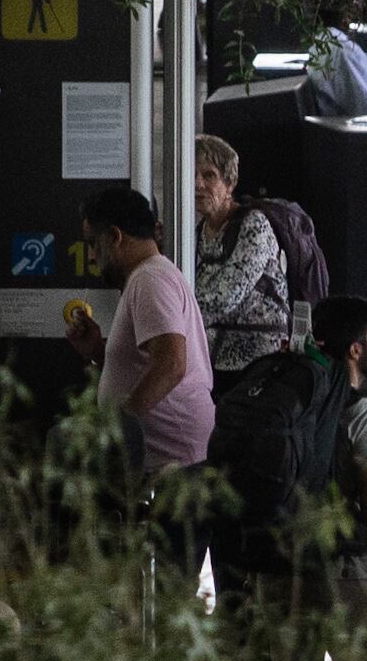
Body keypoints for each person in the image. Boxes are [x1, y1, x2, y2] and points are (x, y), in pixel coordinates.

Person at [66, 184, 214, 477]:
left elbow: (172, 364)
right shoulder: (148, 277)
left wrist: (117, 429)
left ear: (114, 237)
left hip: (170, 467)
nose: (92, 257)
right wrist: (98, 351)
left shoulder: (150, 280)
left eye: (94, 244)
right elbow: (149, 363)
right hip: (164, 462)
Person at [190, 136, 296, 375]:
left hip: (258, 363)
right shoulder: (197, 232)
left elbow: (224, 298)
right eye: (192, 174)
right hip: (211, 360)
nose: (198, 184)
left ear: (230, 184)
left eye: (209, 176)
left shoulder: (253, 226)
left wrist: (174, 317)